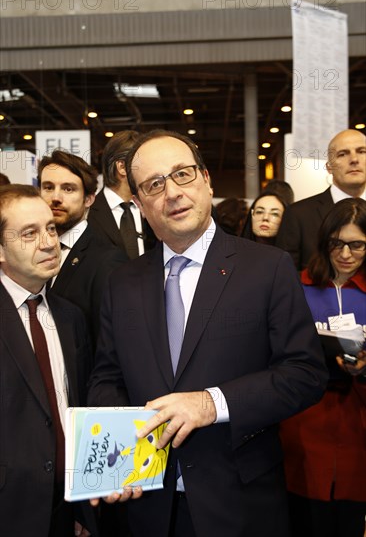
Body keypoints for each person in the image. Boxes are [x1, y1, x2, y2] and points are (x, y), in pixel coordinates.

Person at [88, 129, 328, 537]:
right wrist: (121, 458)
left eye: (182, 174)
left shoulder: (267, 267)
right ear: (140, 204)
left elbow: (304, 374)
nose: (173, 193)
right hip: (148, 506)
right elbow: (107, 378)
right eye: (154, 184)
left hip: (238, 502)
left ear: (206, 180)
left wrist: (211, 403)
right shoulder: (121, 282)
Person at [0, 185, 98, 537]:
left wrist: (83, 506)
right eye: (29, 233)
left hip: (63, 511)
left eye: (51, 228)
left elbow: (79, 409)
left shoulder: (71, 317)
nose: (48, 242)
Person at [280, 197, 366, 537]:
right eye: (336, 243)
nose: (345, 254)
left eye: (357, 245)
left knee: (347, 518)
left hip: (356, 422)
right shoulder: (295, 286)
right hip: (304, 420)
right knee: (302, 517)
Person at [38, 150, 127, 350]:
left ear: (89, 199)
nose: (56, 198)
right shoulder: (29, 251)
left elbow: (109, 347)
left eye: (68, 189)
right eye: (48, 187)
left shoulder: (107, 261)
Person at [276, 129, 366, 270]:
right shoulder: (298, 215)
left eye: (362, 151)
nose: (354, 160)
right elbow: (286, 279)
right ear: (329, 167)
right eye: (342, 154)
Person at [88, 130, 156, 258]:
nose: (150, 171)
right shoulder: (87, 214)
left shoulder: (152, 206)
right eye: (143, 164)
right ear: (122, 167)